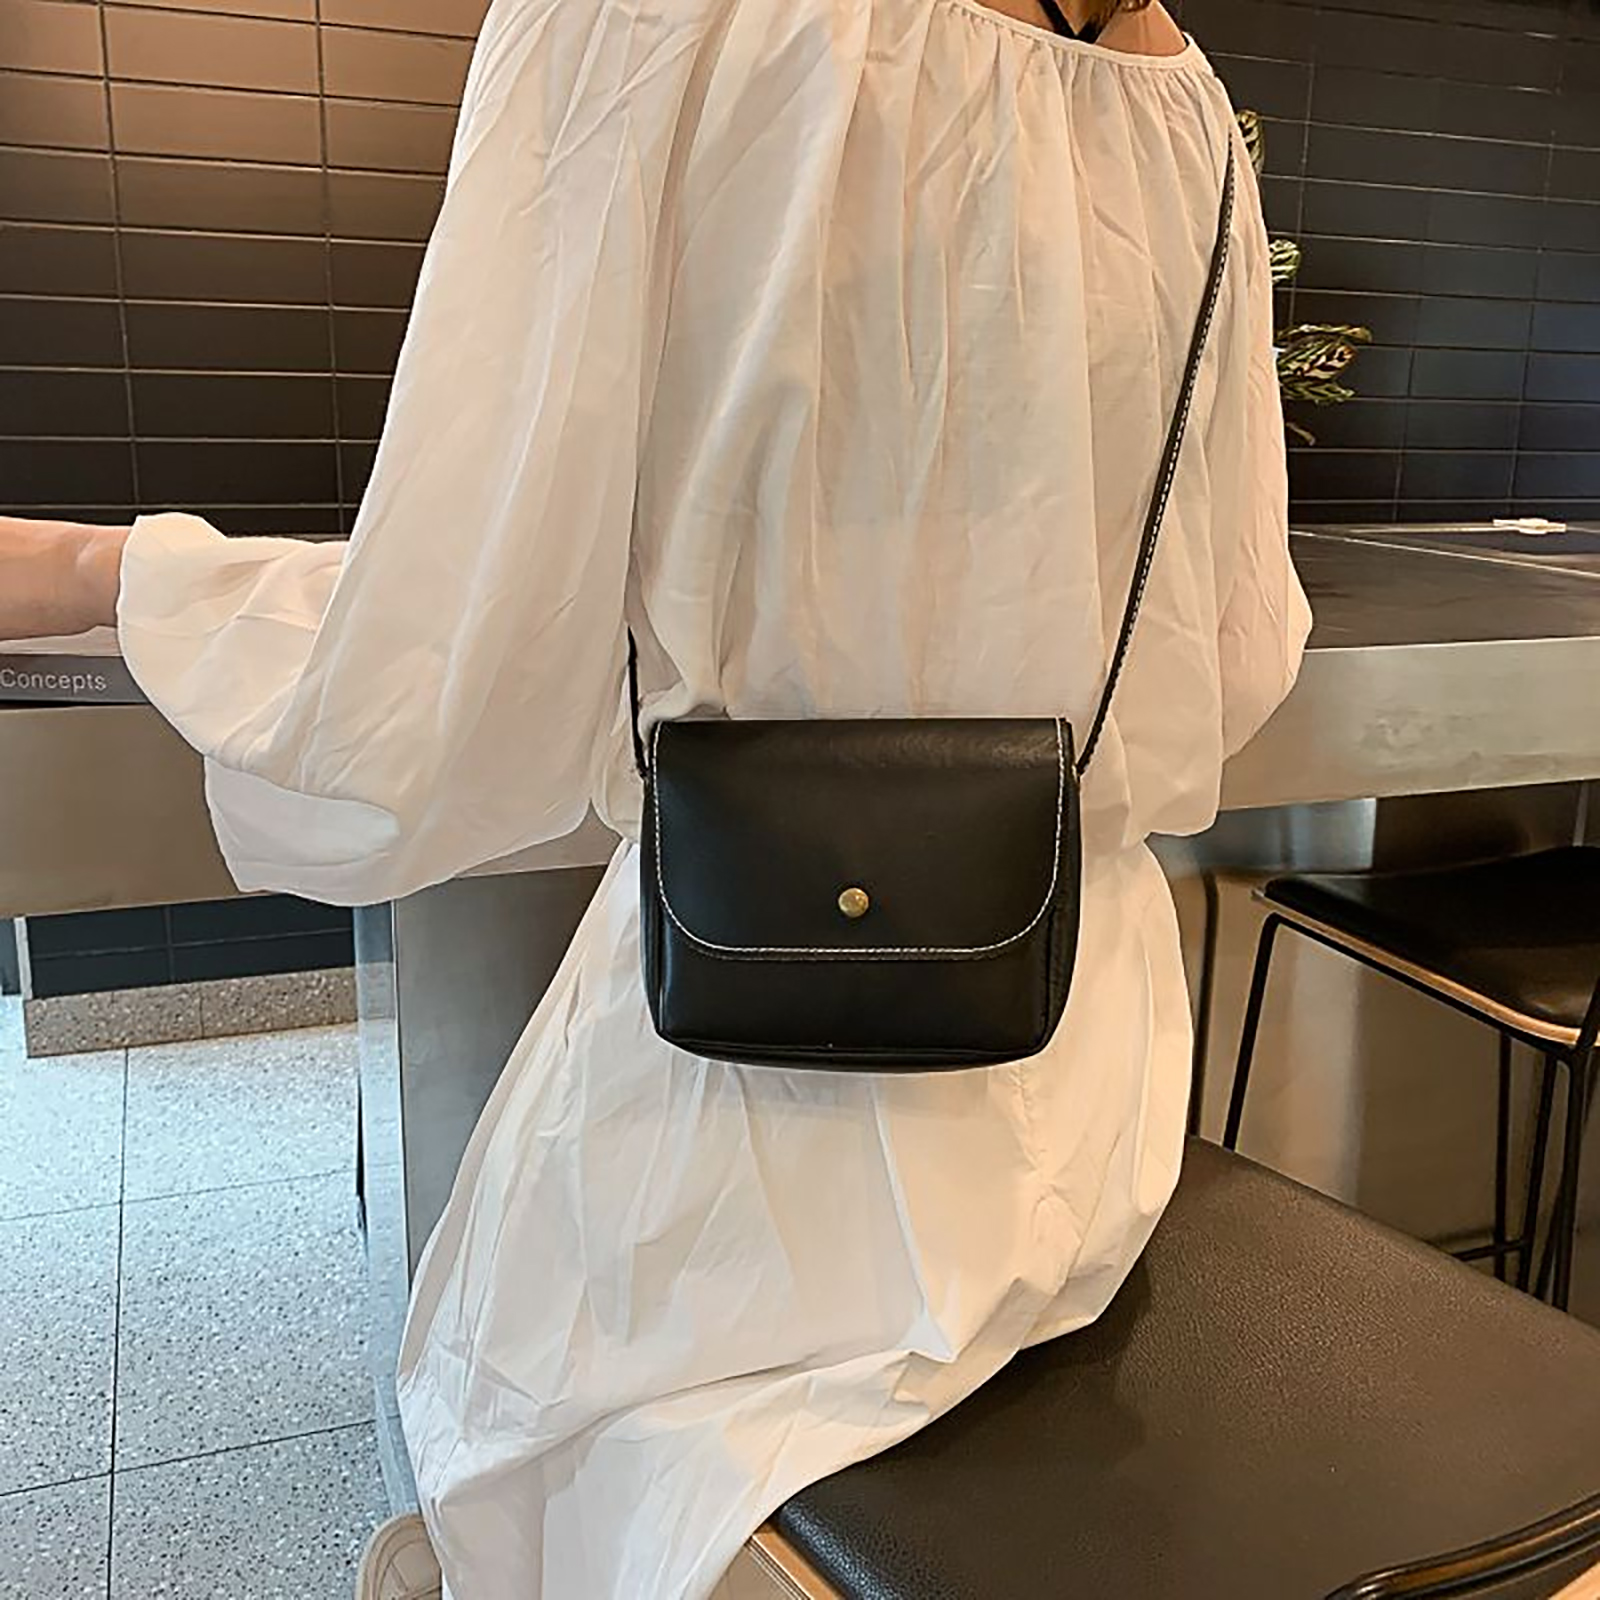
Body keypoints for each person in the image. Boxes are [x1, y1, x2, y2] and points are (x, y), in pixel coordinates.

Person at [0, 0, 1309, 1594]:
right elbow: (1233, 658)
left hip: (729, 1195)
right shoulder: (1186, 113)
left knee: (552, 1458)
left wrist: (102, 572)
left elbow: (458, 640)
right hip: (1079, 1120)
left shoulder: (645, 20)